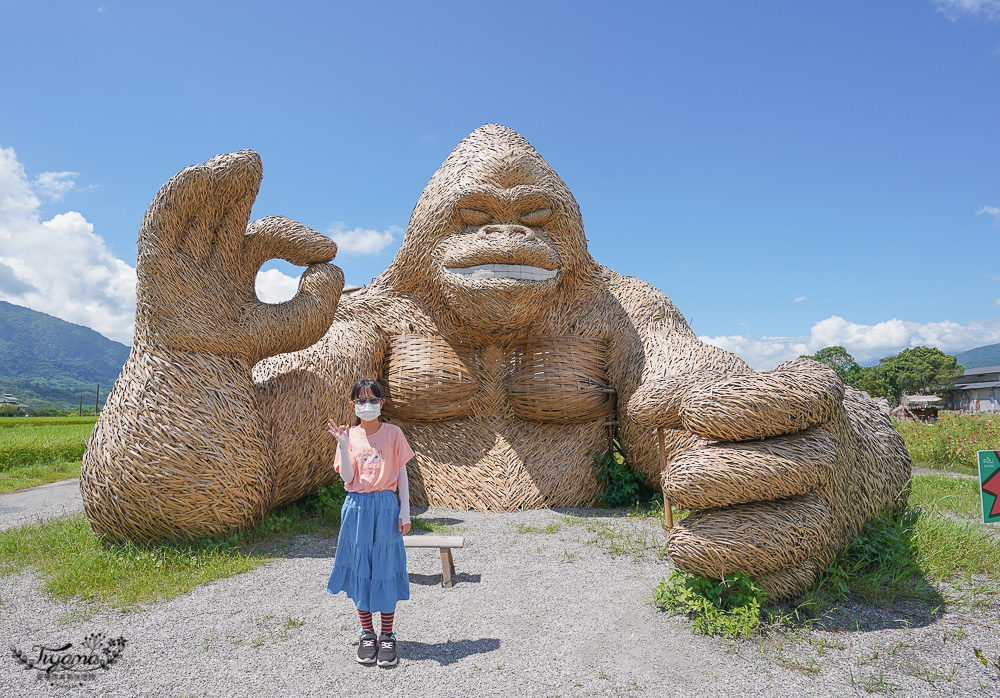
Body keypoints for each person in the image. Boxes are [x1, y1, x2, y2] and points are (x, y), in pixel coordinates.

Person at [326, 378, 413, 667]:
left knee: (386, 567)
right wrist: (342, 444)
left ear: (382, 403)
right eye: (361, 401)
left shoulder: (394, 433)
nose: (367, 405)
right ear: (353, 405)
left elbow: (401, 475)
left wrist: (406, 512)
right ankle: (367, 633)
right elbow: (347, 478)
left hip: (387, 506)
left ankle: (387, 634)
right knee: (361, 567)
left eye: (373, 400)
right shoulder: (348, 434)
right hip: (357, 506)